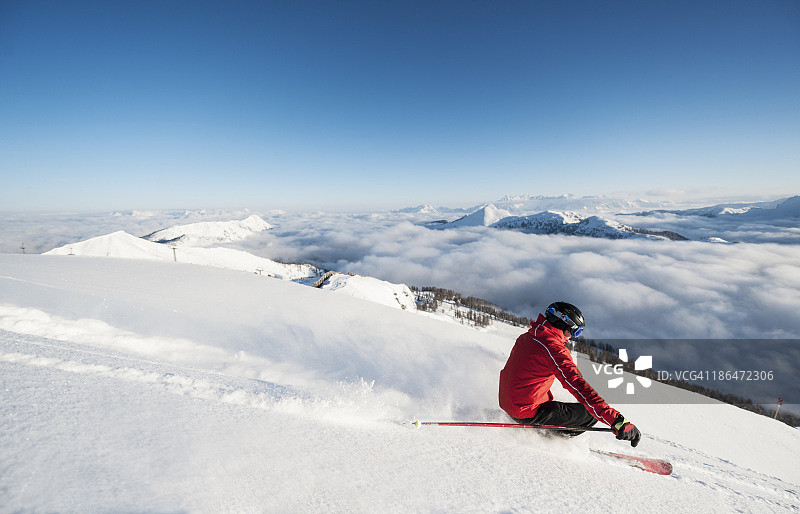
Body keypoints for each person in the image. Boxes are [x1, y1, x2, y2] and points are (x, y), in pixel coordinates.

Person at [499, 301, 641, 447]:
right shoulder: (554, 349)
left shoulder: (528, 337)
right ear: (563, 325)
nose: (572, 337)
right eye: (575, 331)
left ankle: (543, 428)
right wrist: (616, 420)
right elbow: (578, 386)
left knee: (559, 401)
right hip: (525, 412)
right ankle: (550, 441)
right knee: (589, 414)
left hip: (508, 403)